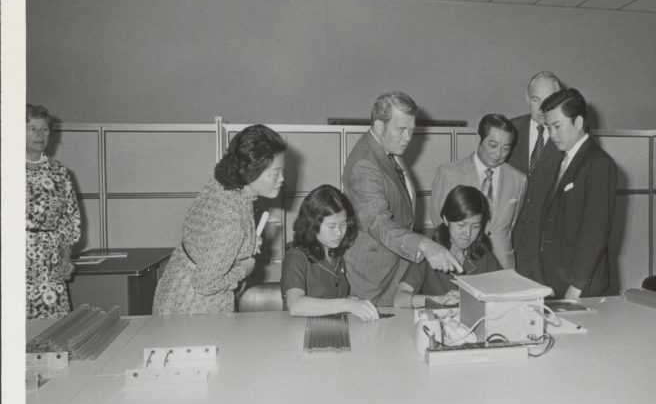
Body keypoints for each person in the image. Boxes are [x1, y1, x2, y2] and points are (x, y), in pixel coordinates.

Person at [343, 91, 462, 307]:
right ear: (379, 126)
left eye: (411, 131)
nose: (408, 138)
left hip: (394, 272)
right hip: (373, 280)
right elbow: (378, 222)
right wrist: (424, 245)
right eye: (401, 130)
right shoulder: (365, 164)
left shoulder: (387, 150)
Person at [152, 124, 286, 314]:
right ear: (251, 171)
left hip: (175, 289)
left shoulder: (225, 187)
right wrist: (243, 269)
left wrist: (242, 245)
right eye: (275, 173)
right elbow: (205, 283)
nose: (282, 178)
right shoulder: (231, 220)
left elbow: (206, 237)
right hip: (194, 309)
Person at [540, 88, 617, 299]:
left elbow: (596, 230)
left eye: (557, 126)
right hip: (559, 279)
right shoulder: (568, 160)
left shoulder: (598, 163)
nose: (551, 135)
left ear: (578, 122)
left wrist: (576, 287)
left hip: (580, 286)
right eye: (548, 127)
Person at [430, 114, 527, 269]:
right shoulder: (449, 173)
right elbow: (439, 220)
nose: (499, 154)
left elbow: (511, 225)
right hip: (462, 263)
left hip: (503, 265)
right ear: (478, 139)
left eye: (506, 148)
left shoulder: (519, 180)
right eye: (493, 145)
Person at [281, 185, 379, 321]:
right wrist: (347, 304)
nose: (339, 232)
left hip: (329, 330)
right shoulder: (296, 258)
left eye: (343, 224)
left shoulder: (336, 256)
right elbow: (295, 305)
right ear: (312, 225)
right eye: (331, 226)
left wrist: (350, 301)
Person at [394, 185, 501, 309]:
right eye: (461, 225)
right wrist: (437, 300)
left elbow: (505, 292)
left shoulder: (484, 255)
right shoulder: (430, 252)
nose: (468, 233)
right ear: (445, 220)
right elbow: (399, 299)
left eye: (476, 226)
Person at [26, 104, 82, 319]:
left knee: (49, 333)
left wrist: (66, 259)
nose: (40, 135)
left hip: (50, 266)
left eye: (45, 129)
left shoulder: (60, 173)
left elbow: (69, 222)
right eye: (32, 128)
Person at [508, 71, 564, 283]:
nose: (541, 109)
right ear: (526, 98)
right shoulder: (510, 129)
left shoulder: (568, 135)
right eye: (535, 100)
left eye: (548, 101)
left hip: (550, 244)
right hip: (513, 242)